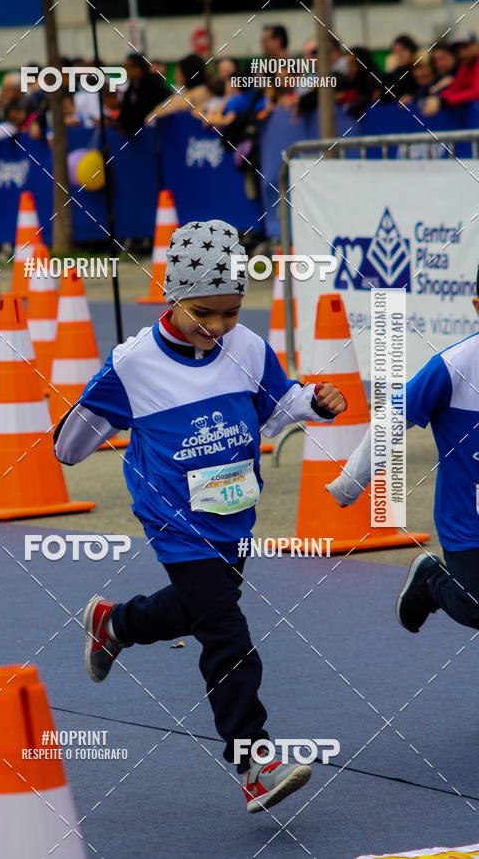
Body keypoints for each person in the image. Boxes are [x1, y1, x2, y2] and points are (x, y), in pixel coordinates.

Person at [54, 220, 346, 812]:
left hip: (234, 511)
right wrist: (90, 415)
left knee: (199, 607)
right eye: (202, 313)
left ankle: (115, 624)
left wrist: (314, 403)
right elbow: (68, 448)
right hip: (174, 520)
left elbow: (276, 406)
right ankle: (254, 762)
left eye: (230, 313)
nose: (216, 327)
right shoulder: (133, 364)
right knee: (226, 634)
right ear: (172, 295)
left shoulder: (249, 347)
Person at [326, 274, 479, 634]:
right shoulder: (453, 367)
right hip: (467, 521)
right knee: (475, 609)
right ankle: (430, 582)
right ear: (477, 307)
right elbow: (392, 420)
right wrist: (350, 483)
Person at [422, 30, 479, 116]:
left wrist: (443, 101)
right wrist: (436, 98)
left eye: (466, 47)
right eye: (459, 50)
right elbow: (455, 88)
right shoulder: (465, 64)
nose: (462, 54)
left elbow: (476, 92)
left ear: (476, 45)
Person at [144, 53, 212, 124]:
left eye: (178, 72)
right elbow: (164, 105)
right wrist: (154, 114)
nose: (175, 75)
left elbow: (182, 105)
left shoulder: (201, 90)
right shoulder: (183, 91)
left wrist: (161, 112)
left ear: (188, 73)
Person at [118, 53, 170, 135]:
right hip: (138, 133)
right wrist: (118, 122)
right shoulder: (132, 86)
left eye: (127, 67)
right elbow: (126, 108)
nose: (125, 70)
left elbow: (144, 111)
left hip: (156, 131)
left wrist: (125, 122)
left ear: (138, 68)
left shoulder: (152, 83)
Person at [381, 34, 418, 102]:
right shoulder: (394, 73)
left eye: (403, 49)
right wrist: (389, 71)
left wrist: (413, 96)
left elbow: (424, 89)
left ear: (411, 50)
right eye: (396, 51)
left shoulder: (418, 69)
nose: (400, 54)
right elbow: (384, 97)